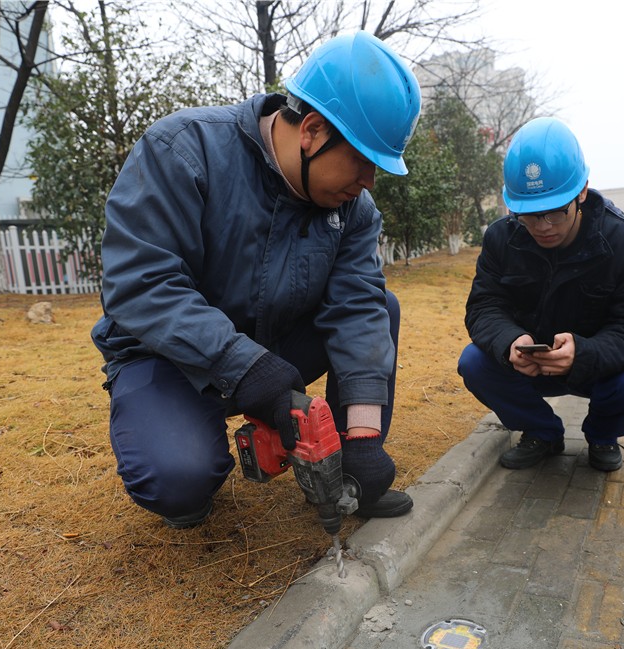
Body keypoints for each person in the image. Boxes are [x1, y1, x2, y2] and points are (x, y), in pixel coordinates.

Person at [92, 31, 421, 528]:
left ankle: (341, 473)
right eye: (362, 162)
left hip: (275, 346)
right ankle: (189, 472)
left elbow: (358, 310)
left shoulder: (354, 209)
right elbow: (141, 282)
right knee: (177, 479)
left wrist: (364, 439)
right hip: (166, 355)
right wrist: (244, 367)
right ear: (311, 130)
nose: (369, 182)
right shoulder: (183, 150)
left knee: (382, 306)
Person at [458, 117, 624, 472]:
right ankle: (542, 432)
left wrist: (583, 353)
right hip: (529, 365)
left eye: (555, 212)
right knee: (473, 362)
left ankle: (602, 434)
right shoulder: (499, 239)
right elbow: (484, 306)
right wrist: (510, 342)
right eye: (528, 215)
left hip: (597, 368)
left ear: (581, 191)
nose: (542, 227)